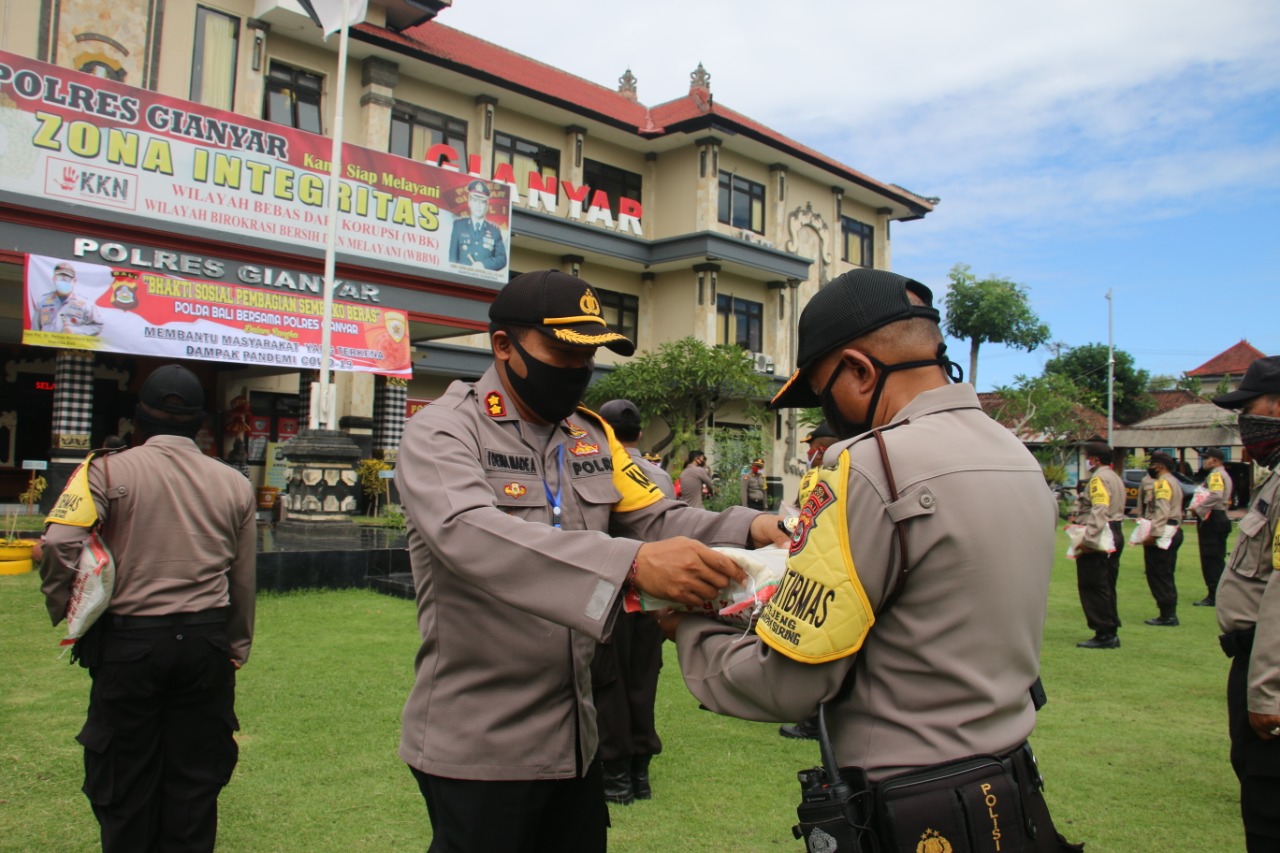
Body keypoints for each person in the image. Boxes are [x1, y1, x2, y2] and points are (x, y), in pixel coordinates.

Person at [657, 268, 1075, 851]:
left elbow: (790, 681)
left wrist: (686, 629)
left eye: (824, 390)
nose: (825, 412)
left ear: (860, 369)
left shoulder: (869, 466)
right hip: (1008, 788)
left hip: (911, 801)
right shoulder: (1014, 455)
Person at [393, 269, 787, 852]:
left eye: (590, 353)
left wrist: (753, 526)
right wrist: (630, 565)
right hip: (480, 744)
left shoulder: (588, 436)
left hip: (575, 740)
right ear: (504, 346)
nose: (579, 369)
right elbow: (467, 531)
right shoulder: (443, 432)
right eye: (563, 350)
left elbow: (655, 520)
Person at [39, 364, 257, 853]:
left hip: (128, 644)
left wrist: (70, 611)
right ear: (200, 423)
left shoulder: (105, 470)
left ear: (139, 418)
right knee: (196, 781)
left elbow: (57, 545)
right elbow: (242, 577)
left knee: (123, 777)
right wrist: (236, 644)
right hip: (205, 643)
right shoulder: (234, 484)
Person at [1212, 355, 1280, 852]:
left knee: (1268, 807)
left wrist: (1268, 692)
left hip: (1268, 668)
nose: (1244, 420)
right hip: (1253, 657)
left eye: (1249, 406)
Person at [591, 399, 673, 806]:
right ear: (639, 434)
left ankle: (617, 777)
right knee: (644, 680)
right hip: (653, 595)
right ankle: (640, 773)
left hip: (609, 590)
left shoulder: (596, 469)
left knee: (609, 682)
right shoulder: (659, 475)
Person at [1074, 441, 1127, 649]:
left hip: (1102, 532)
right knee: (1106, 583)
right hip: (1115, 529)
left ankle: (1104, 632)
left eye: (1088, 456)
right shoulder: (1114, 477)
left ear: (1095, 459)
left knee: (1093, 583)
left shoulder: (1098, 479)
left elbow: (1100, 508)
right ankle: (1109, 628)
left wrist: (1089, 539)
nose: (1087, 460)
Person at [1139, 450, 1185, 626]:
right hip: (1173, 528)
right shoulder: (1174, 481)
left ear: (1160, 466)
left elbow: (1162, 509)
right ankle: (1168, 612)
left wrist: (1154, 534)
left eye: (1152, 464)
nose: (1150, 468)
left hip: (1164, 531)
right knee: (1165, 572)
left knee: (1158, 573)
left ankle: (1168, 614)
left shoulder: (1162, 483)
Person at [1194, 446, 1234, 606]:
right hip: (1220, 516)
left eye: (1206, 458)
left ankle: (1214, 594)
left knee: (1211, 557)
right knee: (1216, 557)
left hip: (1214, 517)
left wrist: (1199, 508)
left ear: (1215, 460)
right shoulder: (1222, 474)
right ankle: (1218, 592)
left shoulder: (1216, 474)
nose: (1203, 461)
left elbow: (1216, 495)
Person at [448, 180, 507, 270]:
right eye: (475, 200)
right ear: (469, 203)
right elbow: (452, 259)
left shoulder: (494, 231)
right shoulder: (458, 226)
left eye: (482, 202)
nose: (478, 205)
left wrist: (484, 265)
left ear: (487, 206)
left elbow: (502, 260)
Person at [32, 261, 103, 334]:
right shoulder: (43, 301)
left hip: (71, 344)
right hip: (46, 344)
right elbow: (35, 328)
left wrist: (75, 331)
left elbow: (98, 326)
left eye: (67, 279)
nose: (63, 281)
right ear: (54, 279)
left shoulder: (86, 304)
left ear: (74, 281)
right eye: (59, 278)